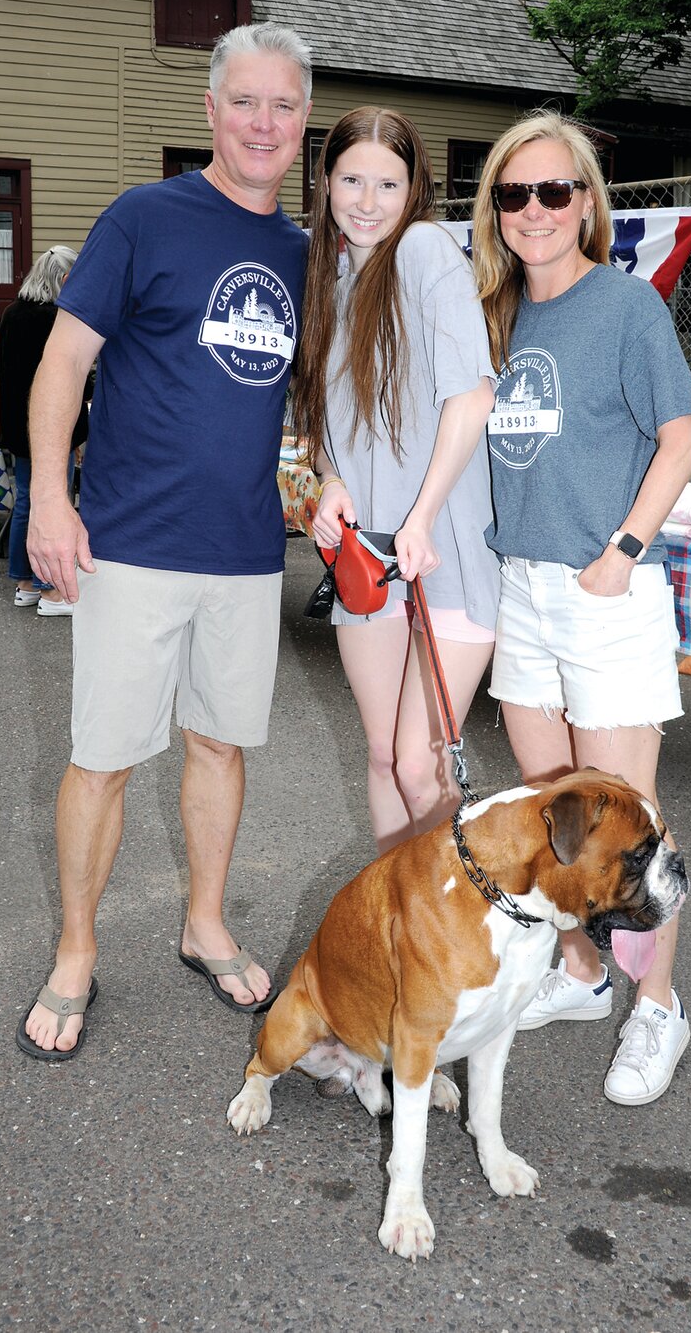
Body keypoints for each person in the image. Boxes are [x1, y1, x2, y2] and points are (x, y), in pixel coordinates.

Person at [16, 22, 312, 1061]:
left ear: (303, 118)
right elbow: (61, 365)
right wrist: (50, 500)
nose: (262, 122)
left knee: (218, 743)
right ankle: (76, 949)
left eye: (282, 104)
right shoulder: (145, 216)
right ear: (210, 110)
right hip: (130, 544)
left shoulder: (300, 250)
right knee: (103, 756)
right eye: (244, 101)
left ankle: (204, 922)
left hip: (242, 551)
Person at [471, 112, 691, 1106]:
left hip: (601, 588)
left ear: (585, 202)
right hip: (519, 585)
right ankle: (578, 971)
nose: (532, 211)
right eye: (512, 193)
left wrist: (623, 549)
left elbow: (680, 440)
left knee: (625, 825)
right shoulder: (497, 312)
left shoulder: (624, 305)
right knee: (551, 803)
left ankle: (658, 1005)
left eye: (552, 191)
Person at [292, 107, 498, 855]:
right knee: (382, 756)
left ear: (415, 189)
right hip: (367, 554)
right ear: (325, 181)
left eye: (388, 182)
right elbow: (324, 429)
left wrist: (421, 516)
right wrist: (333, 483)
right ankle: (398, 929)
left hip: (439, 547)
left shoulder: (423, 249)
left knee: (421, 763)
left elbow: (472, 397)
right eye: (351, 179)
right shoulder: (331, 272)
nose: (367, 200)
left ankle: (454, 936)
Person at [0, 245, 85, 616]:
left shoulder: (11, 313)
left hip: (17, 425)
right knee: (53, 502)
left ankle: (26, 584)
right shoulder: (56, 319)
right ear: (64, 280)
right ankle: (51, 591)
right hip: (48, 426)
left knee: (27, 503)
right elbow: (66, 381)